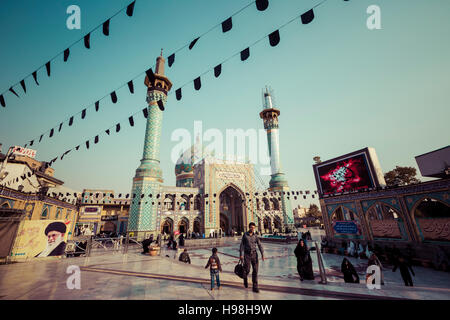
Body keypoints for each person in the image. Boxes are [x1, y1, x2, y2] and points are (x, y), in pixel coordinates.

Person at [239, 222, 265, 293]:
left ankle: (255, 286)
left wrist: (262, 254)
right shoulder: (245, 235)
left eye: (253, 228)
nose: (252, 229)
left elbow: (259, 245)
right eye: (251, 227)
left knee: (255, 270)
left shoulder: (256, 236)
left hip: (254, 254)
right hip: (247, 255)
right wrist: (241, 254)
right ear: (249, 227)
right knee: (247, 269)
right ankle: (245, 278)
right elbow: (242, 245)